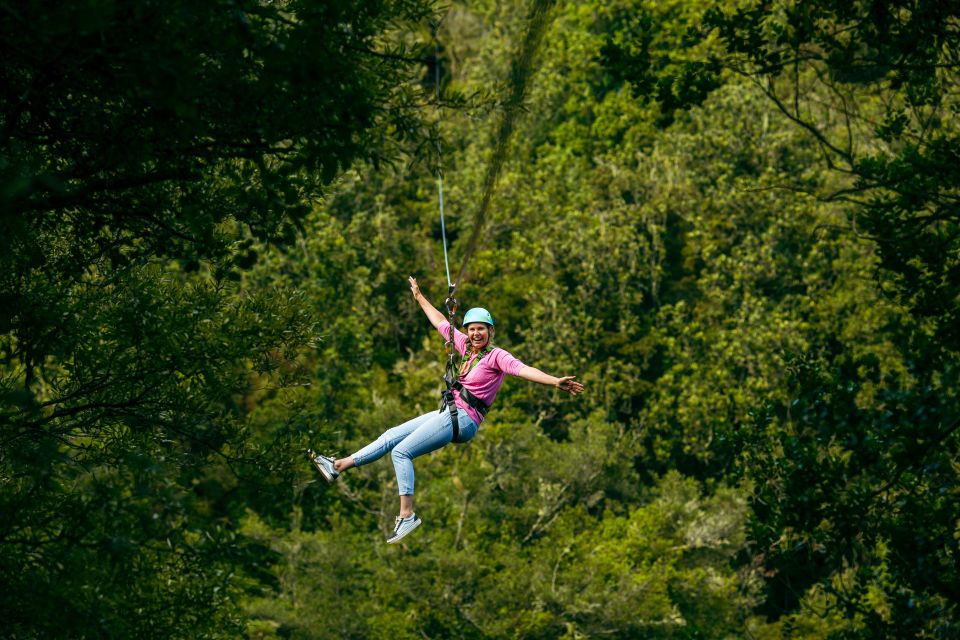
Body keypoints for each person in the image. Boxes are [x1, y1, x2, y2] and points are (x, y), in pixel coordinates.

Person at [309, 276, 584, 544]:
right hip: (449, 411)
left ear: (490, 332)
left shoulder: (497, 356)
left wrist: (554, 381)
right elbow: (440, 320)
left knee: (401, 452)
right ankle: (338, 465)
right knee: (392, 435)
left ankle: (407, 515)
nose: (476, 334)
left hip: (464, 420)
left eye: (481, 329)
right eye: (472, 329)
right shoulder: (463, 345)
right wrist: (419, 297)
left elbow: (523, 370)